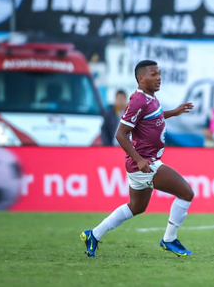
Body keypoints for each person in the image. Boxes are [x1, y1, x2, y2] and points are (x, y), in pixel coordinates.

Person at [81, 60, 196, 258]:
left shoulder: (150, 98)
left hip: (142, 164)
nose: (158, 77)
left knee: (136, 207)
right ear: (141, 78)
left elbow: (154, 118)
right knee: (186, 193)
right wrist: (140, 159)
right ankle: (169, 240)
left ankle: (94, 234)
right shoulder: (138, 101)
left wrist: (173, 112)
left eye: (159, 73)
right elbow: (120, 134)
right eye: (153, 74)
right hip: (145, 164)